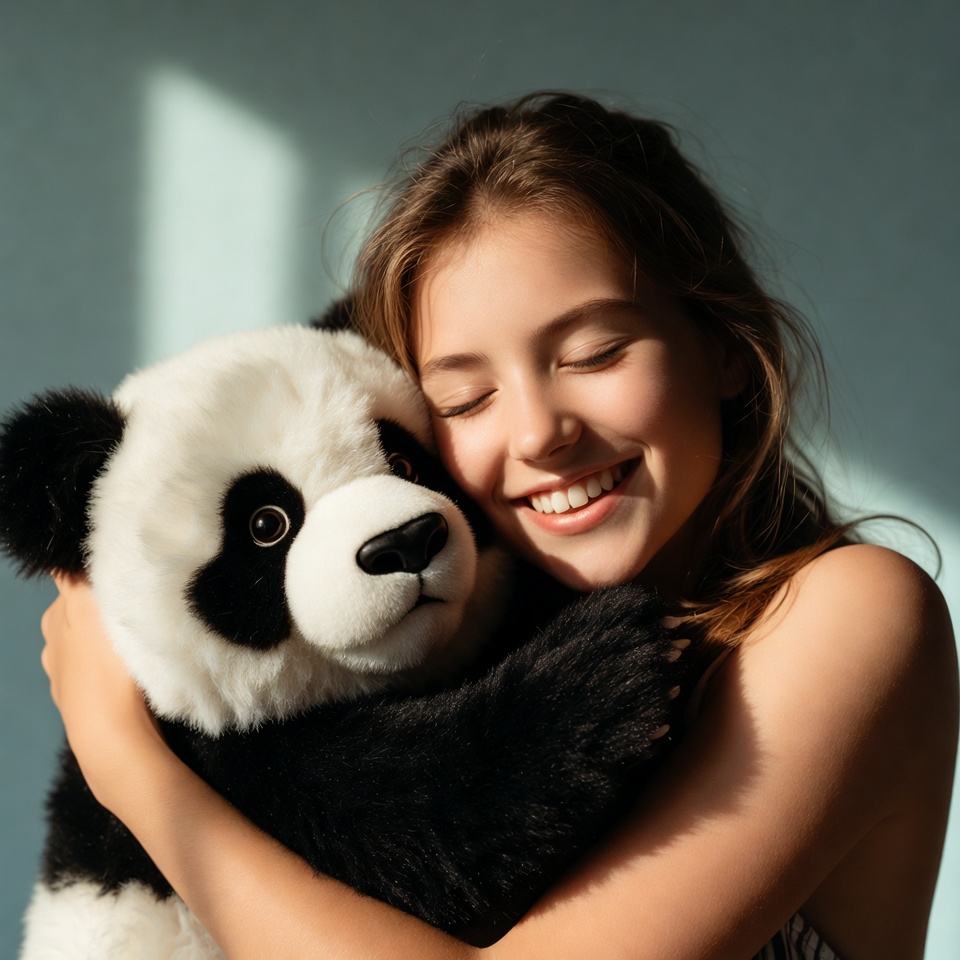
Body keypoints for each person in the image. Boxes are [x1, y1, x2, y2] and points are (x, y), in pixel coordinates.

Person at [40, 92, 957, 959]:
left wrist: (128, 767)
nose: (539, 433)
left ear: (720, 343)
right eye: (467, 397)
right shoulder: (476, 661)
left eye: (594, 352)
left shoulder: (853, 613)